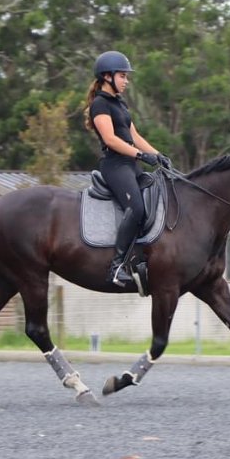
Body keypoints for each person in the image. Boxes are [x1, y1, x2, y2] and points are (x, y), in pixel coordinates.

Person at [84, 51, 172, 286]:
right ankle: (117, 267)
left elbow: (134, 135)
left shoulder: (119, 103)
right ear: (107, 77)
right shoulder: (100, 104)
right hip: (115, 165)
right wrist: (141, 155)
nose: (126, 81)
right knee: (135, 207)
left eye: (126, 77)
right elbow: (111, 139)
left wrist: (157, 155)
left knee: (155, 200)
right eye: (123, 76)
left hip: (131, 165)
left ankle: (141, 259)